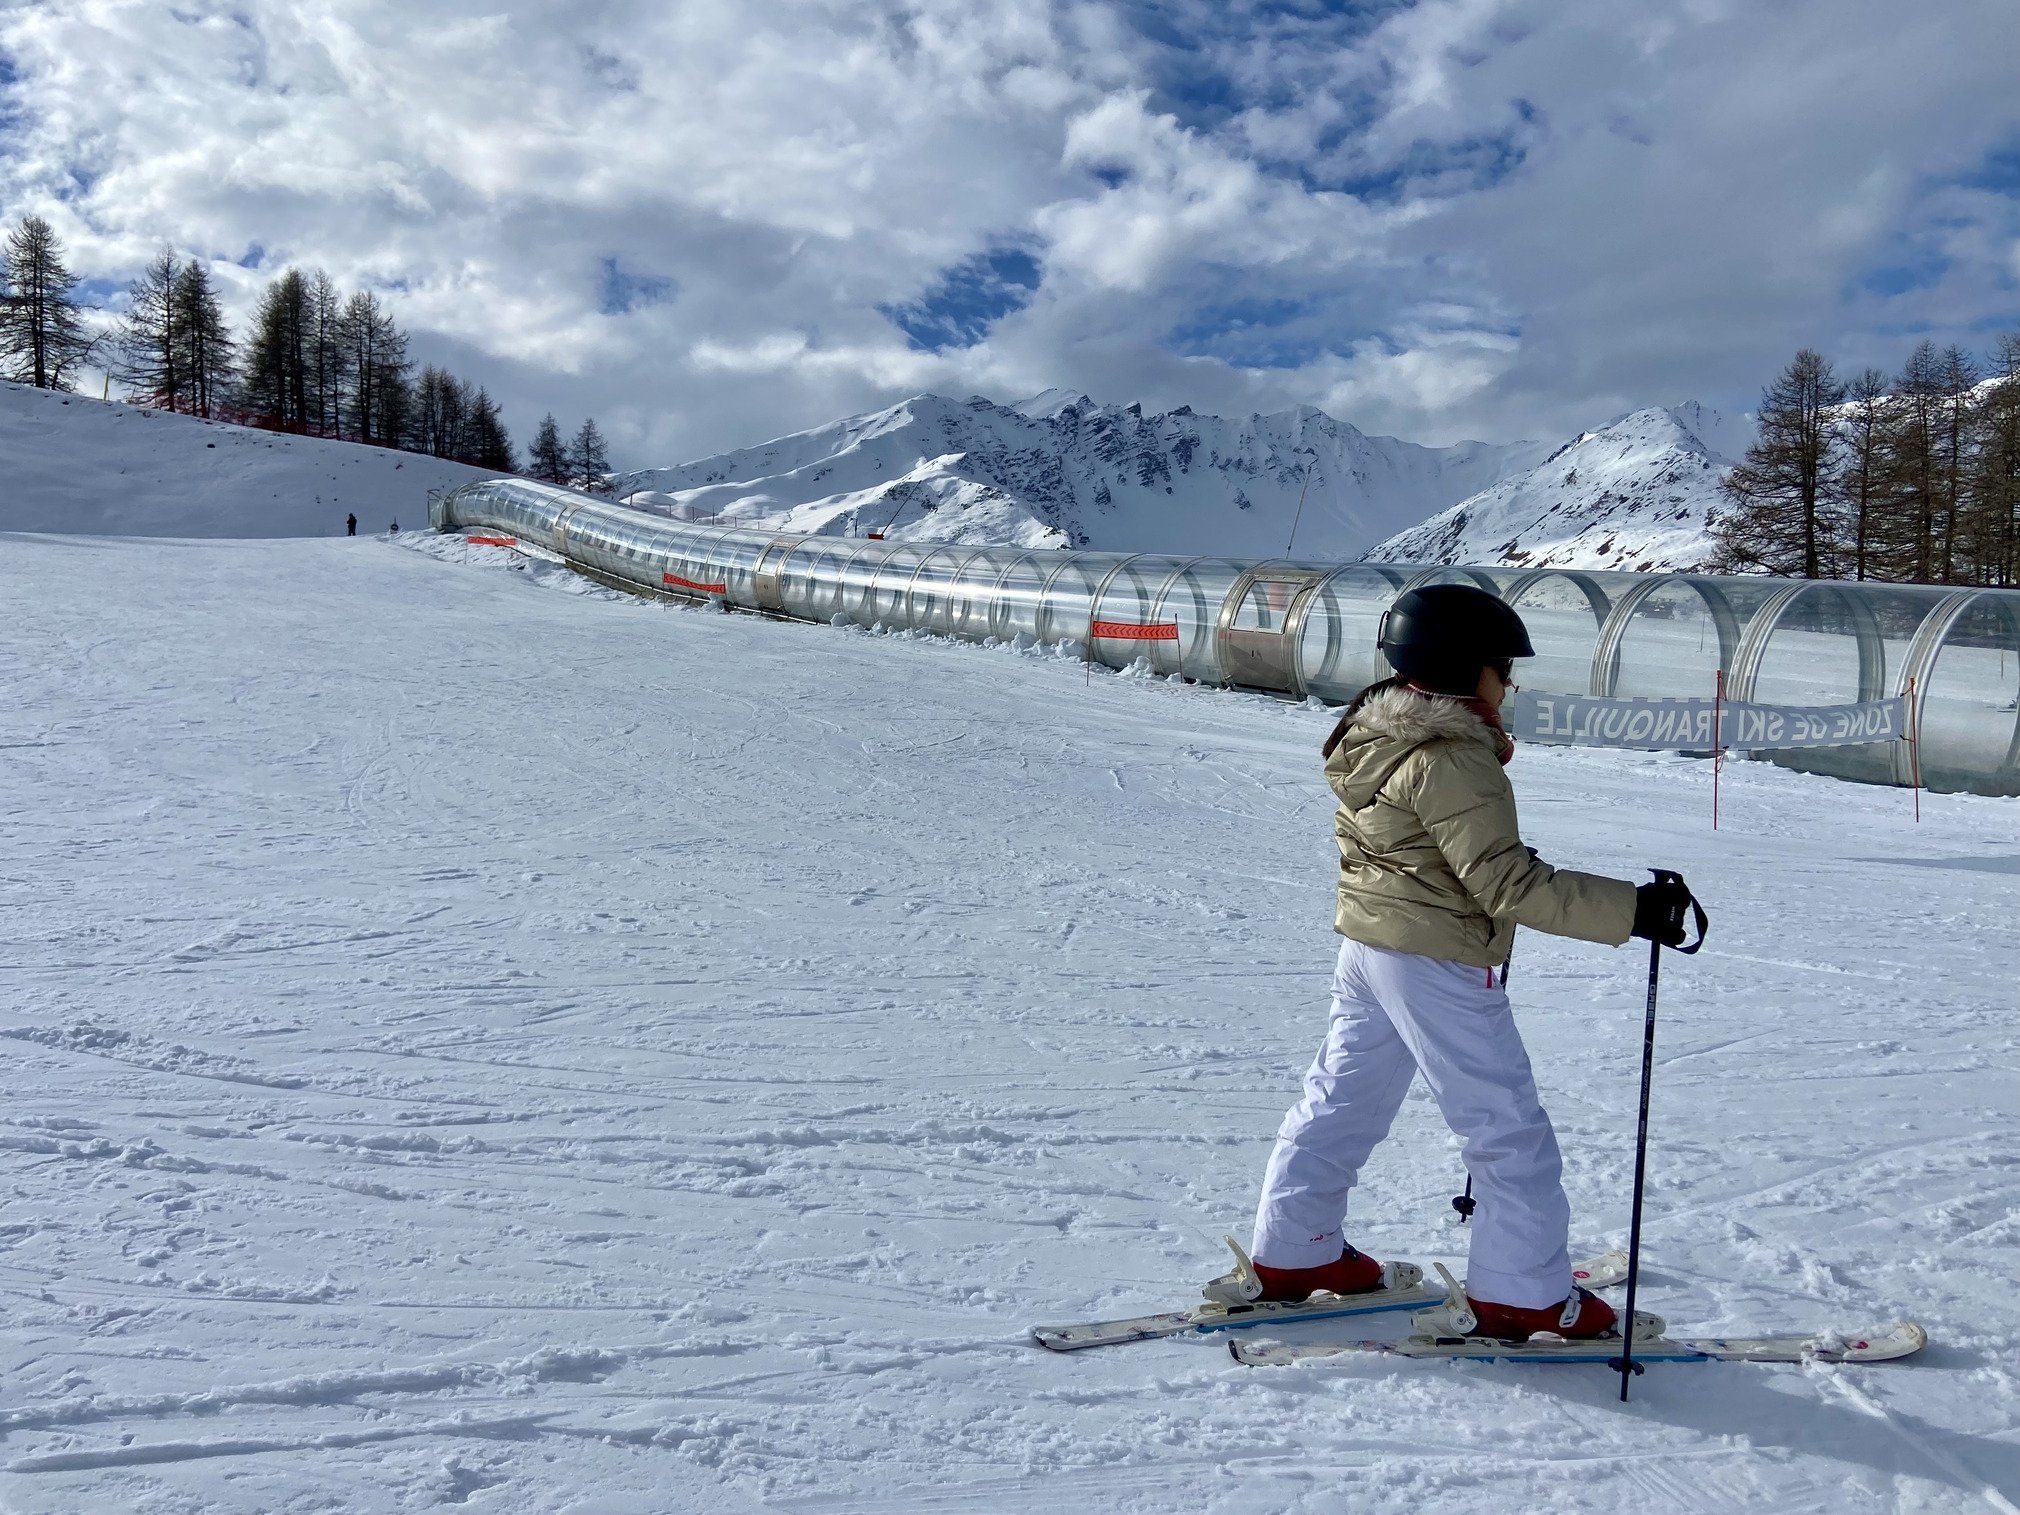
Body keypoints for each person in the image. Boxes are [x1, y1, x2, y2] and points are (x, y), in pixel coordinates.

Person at [1236, 584, 1694, 1340]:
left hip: (1371, 945)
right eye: (1501, 666)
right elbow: (1507, 884)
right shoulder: (1451, 756)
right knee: (1505, 1127)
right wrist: (1636, 910)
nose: (1508, 681)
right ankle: (1523, 1295)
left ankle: (1295, 1249)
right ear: (1460, 668)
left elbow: (1427, 847)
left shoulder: (1379, 731)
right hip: (1434, 958)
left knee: (1342, 1098)